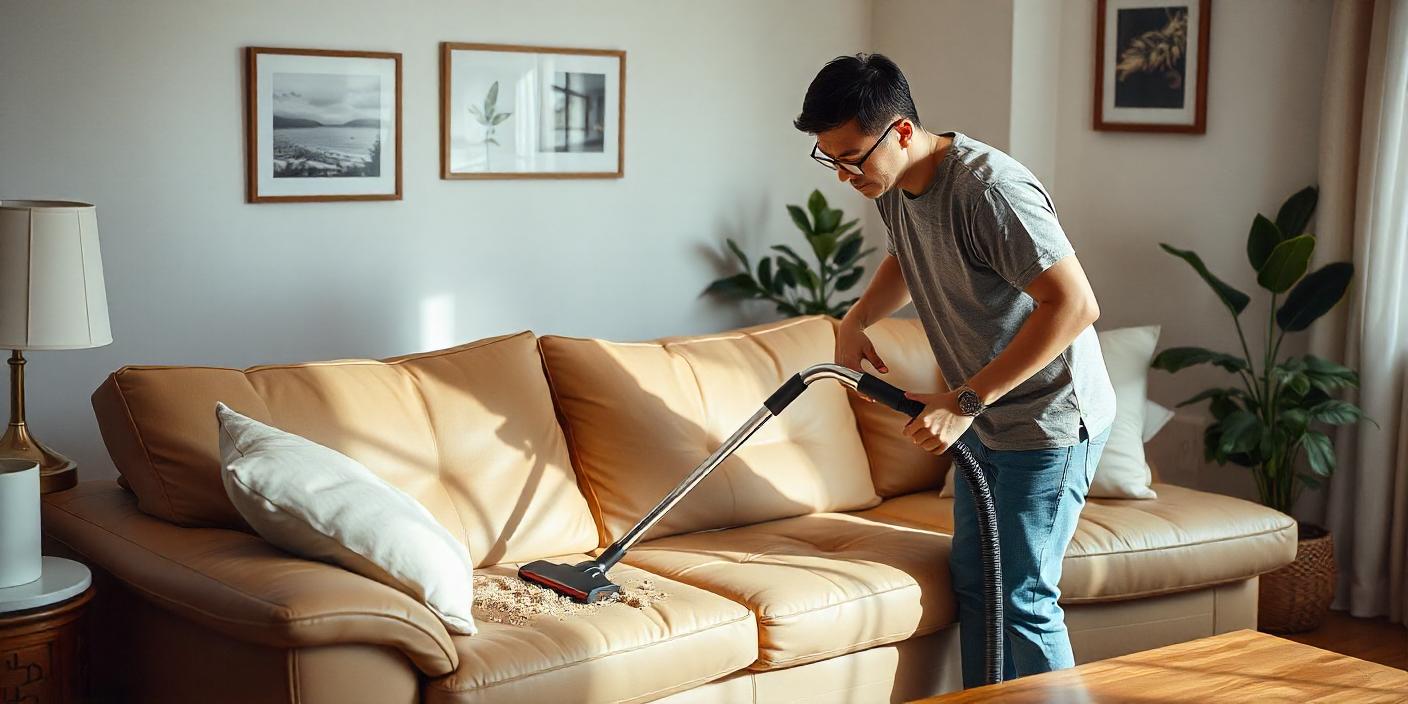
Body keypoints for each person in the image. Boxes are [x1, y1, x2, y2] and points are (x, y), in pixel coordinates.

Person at [795, 53, 1116, 687]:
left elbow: (1077, 305)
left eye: (852, 157)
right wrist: (856, 319)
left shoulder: (989, 191)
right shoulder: (893, 183)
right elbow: (906, 254)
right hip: (986, 420)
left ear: (903, 131)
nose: (842, 174)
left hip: (1046, 421)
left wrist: (964, 401)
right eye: (829, 158)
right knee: (978, 586)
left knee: (1021, 600)